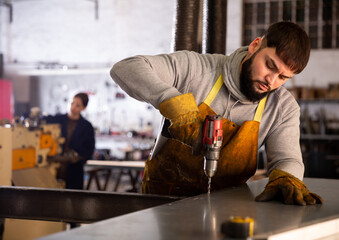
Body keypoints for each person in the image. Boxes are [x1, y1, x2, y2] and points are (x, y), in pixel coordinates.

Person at [110, 21, 323, 205]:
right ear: (255, 45)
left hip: (226, 209)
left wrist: (287, 177)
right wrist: (174, 104)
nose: (271, 81)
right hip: (161, 204)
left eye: (283, 77)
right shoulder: (196, 69)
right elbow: (126, 68)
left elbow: (288, 158)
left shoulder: (283, 107)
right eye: (269, 65)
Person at [43, 92, 95, 190]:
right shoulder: (57, 119)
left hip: (74, 171)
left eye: (78, 105)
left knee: (73, 201)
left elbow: (89, 149)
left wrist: (77, 157)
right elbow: (43, 120)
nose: (73, 107)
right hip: (53, 168)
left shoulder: (87, 127)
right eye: (72, 103)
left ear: (83, 108)